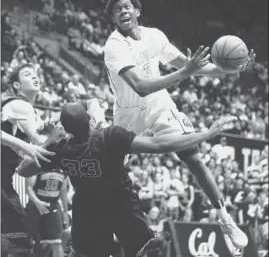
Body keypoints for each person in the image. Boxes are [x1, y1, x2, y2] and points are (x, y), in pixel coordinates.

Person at [104, 0, 255, 249]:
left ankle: (225, 219)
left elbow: (189, 66)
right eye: (117, 10)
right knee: (110, 173)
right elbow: (140, 86)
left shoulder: (155, 36)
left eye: (127, 6)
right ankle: (105, 231)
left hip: (160, 105)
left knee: (193, 157)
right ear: (114, 20)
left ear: (137, 11)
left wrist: (228, 70)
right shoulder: (114, 45)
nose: (123, 11)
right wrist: (186, 72)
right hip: (127, 114)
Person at [17, 100, 237, 257]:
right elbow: (161, 145)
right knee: (149, 248)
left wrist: (47, 143)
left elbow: (22, 170)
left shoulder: (60, 149)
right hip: (120, 204)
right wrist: (206, 134)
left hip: (87, 212)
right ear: (91, 120)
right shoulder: (109, 136)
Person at [1, 63, 57, 256]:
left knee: (19, 241)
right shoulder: (19, 104)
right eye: (27, 74)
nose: (34, 76)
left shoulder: (31, 112)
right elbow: (36, 142)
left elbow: (39, 150)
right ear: (17, 85)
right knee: (20, 242)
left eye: (35, 73)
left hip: (4, 179)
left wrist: (51, 138)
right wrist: (51, 137)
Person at [25, 169, 68, 257]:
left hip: (53, 207)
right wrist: (38, 202)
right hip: (36, 207)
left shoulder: (64, 168)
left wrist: (65, 213)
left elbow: (63, 192)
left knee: (57, 242)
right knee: (34, 243)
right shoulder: (36, 165)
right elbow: (28, 188)